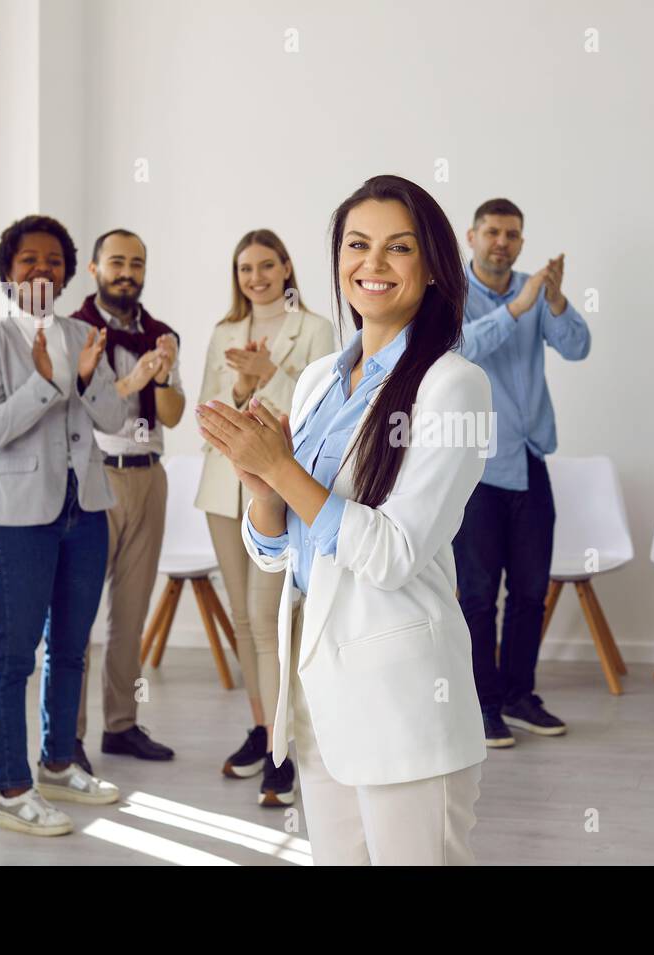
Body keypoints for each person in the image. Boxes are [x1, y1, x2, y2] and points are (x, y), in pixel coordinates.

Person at [196, 174, 491, 864]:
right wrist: (262, 486)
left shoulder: (454, 385)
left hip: (402, 696)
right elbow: (280, 552)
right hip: (317, 693)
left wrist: (284, 471)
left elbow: (392, 553)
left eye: (398, 248)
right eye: (357, 245)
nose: (372, 264)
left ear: (433, 268)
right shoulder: (318, 378)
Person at [0, 215, 127, 836]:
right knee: (14, 657)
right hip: (16, 523)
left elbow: (113, 416)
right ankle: (12, 791)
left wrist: (84, 377)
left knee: (72, 648)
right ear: (8, 272)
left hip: (84, 513)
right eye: (29, 259)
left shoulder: (87, 333)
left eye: (53, 260)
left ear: (66, 271)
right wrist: (43, 382)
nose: (42, 269)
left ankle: (59, 763)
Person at [195, 229, 334, 807]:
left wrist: (268, 374)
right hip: (222, 489)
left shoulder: (318, 329)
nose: (256, 277)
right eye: (245, 268)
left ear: (286, 269)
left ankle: (284, 748)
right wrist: (243, 383)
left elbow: (321, 410)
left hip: (280, 488)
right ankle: (261, 728)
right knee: (244, 620)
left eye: (267, 266)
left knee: (270, 618)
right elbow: (206, 410)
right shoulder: (223, 331)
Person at [453, 198, 590, 747]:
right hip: (476, 466)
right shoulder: (450, 295)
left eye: (511, 234)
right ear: (471, 236)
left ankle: (518, 694)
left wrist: (552, 302)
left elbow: (578, 347)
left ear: (521, 241)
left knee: (532, 590)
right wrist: (516, 309)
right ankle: (481, 705)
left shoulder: (537, 289)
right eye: (491, 232)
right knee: (479, 595)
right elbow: (455, 350)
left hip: (531, 460)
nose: (501, 243)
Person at [70, 228, 183, 773]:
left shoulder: (162, 335)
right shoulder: (73, 331)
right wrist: (131, 378)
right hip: (93, 478)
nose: (127, 272)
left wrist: (159, 376)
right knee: (75, 614)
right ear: (94, 268)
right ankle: (65, 737)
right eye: (116, 262)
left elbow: (174, 414)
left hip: (148, 476)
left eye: (137, 263)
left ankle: (121, 726)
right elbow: (76, 406)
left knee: (130, 614)